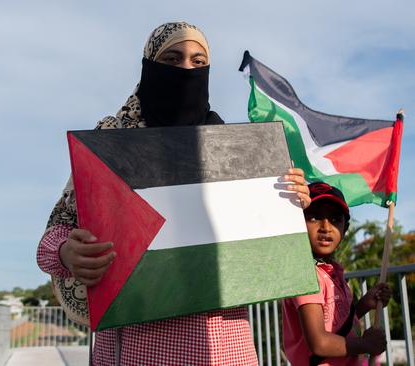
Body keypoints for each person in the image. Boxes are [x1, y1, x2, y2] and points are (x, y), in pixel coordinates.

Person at [37, 21, 311, 365]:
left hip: (226, 350)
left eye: (198, 62)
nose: (186, 69)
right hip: (135, 353)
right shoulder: (111, 144)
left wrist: (290, 200)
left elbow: (271, 248)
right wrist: (67, 253)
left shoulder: (238, 154)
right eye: (172, 59)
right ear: (149, 67)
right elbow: (49, 243)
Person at [282, 182, 392, 366]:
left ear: (344, 229)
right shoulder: (304, 274)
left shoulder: (333, 271)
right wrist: (365, 344)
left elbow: (336, 325)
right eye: (314, 217)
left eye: (335, 219)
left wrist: (365, 304)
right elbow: (320, 343)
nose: (326, 227)